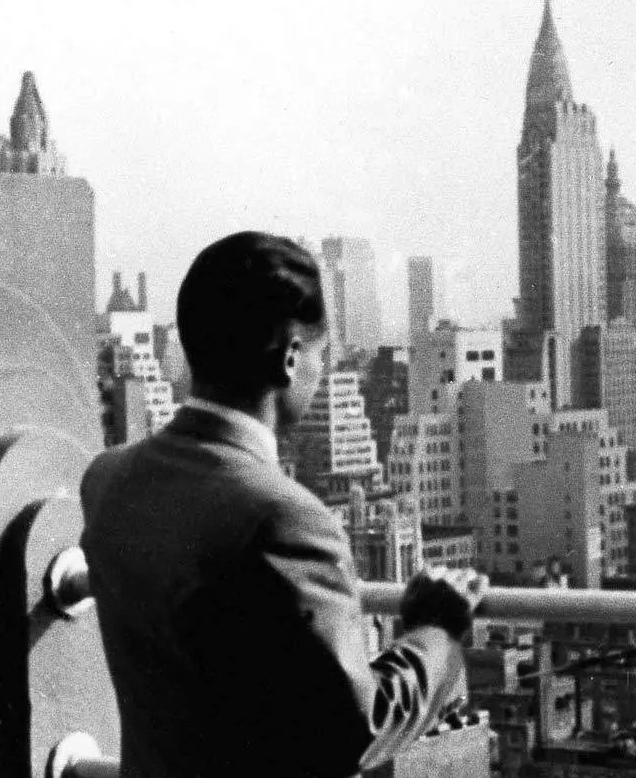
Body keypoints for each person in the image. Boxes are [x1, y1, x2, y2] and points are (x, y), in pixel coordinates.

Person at [81, 231, 485, 777]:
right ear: (292, 357)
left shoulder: (107, 480)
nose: (324, 375)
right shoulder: (285, 517)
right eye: (323, 356)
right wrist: (435, 629)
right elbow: (357, 728)